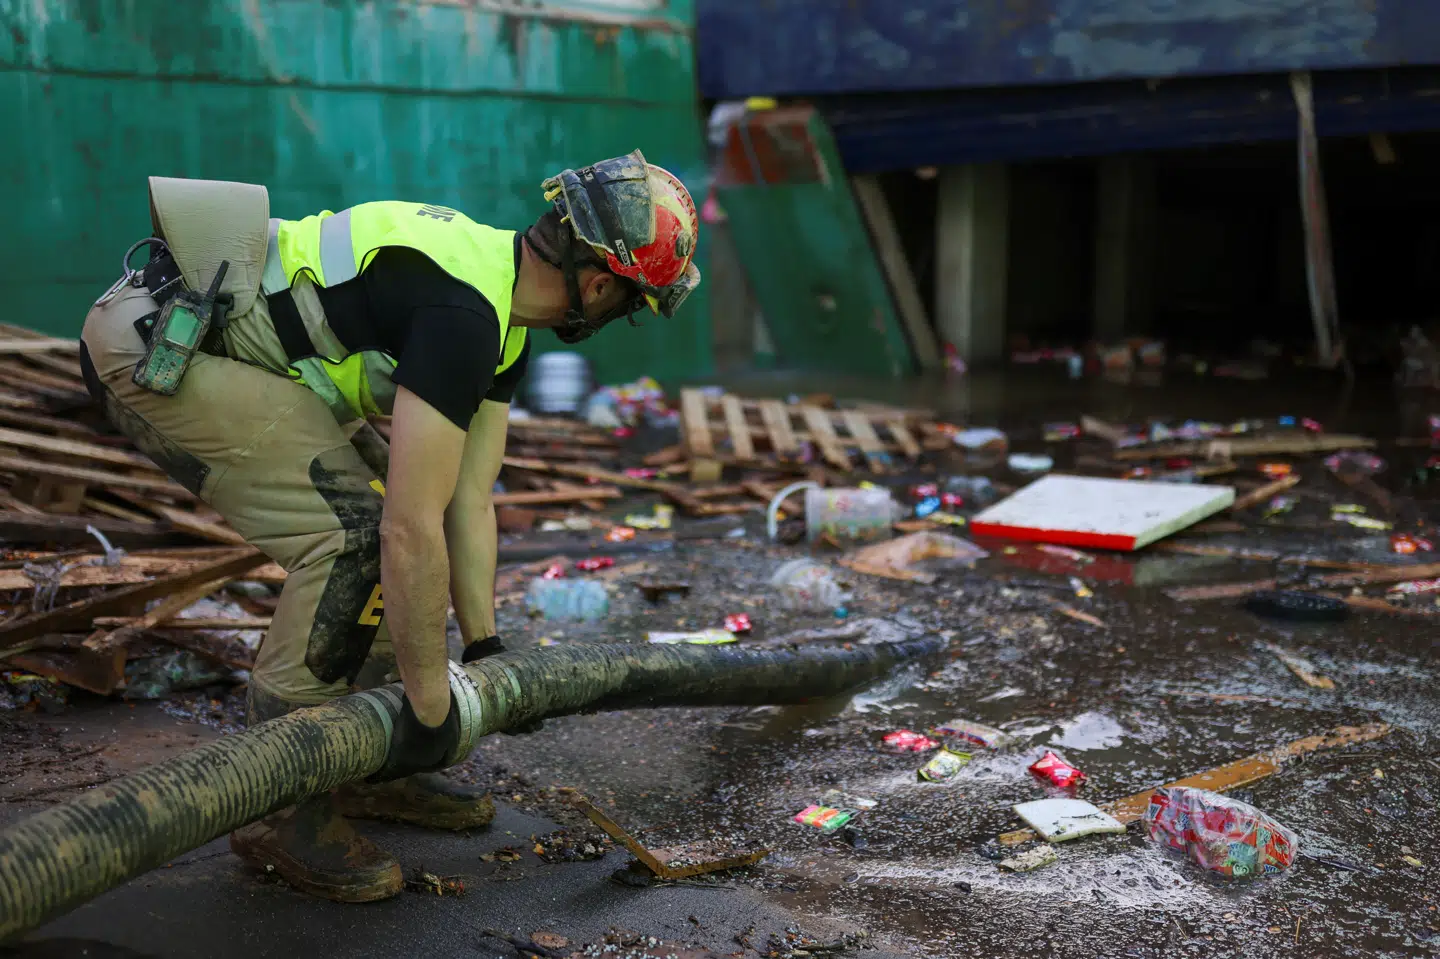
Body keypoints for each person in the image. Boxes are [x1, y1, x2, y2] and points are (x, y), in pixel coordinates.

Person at [77, 150, 700, 902]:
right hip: (163, 341)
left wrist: (485, 645)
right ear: (601, 284)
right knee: (352, 535)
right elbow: (408, 529)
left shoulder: (498, 315)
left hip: (216, 339)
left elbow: (468, 499)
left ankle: (364, 763)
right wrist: (434, 707)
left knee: (378, 520)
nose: (618, 314)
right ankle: (279, 806)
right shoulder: (465, 312)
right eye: (631, 304)